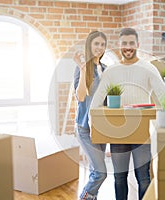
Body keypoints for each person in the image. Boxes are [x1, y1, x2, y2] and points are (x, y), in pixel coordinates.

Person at [90, 28, 165, 200]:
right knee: (119, 178)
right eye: (124, 43)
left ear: (138, 45)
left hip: (142, 132)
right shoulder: (111, 71)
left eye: (131, 43)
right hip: (118, 131)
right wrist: (94, 126)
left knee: (143, 179)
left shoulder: (148, 68)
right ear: (119, 46)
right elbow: (96, 101)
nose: (128, 47)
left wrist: (163, 122)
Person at [73, 30, 108, 200]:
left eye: (102, 44)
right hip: (85, 127)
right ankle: (84, 197)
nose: (99, 47)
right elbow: (80, 97)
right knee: (101, 172)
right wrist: (83, 67)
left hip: (101, 127)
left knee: (96, 170)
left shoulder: (106, 69)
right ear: (89, 45)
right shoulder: (82, 68)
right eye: (96, 44)